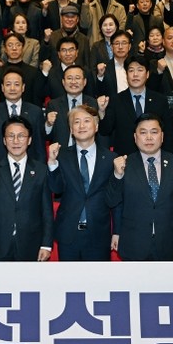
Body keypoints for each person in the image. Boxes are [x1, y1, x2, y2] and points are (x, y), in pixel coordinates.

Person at [107, 113, 173, 261]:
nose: (149, 137)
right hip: (133, 243)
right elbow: (113, 202)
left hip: (168, 243)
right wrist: (117, 175)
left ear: (162, 136)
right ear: (135, 137)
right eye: (143, 132)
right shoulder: (124, 163)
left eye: (154, 132)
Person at [0, 115, 53, 262]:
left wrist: (46, 244)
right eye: (10, 136)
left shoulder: (41, 170)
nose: (16, 141)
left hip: (31, 243)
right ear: (4, 140)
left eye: (21, 136)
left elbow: (47, 211)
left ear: (29, 140)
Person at [48, 102, 117, 262]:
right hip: (68, 234)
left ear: (96, 126)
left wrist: (117, 231)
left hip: (99, 234)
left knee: (98, 278)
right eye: (76, 122)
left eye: (86, 121)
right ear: (71, 130)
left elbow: (116, 199)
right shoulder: (61, 156)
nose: (81, 126)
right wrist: (52, 163)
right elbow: (56, 189)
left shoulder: (110, 159)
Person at [99, 55, 171, 155]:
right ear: (126, 75)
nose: (135, 74)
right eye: (131, 70)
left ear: (147, 74)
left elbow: (168, 132)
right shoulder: (116, 100)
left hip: (154, 156)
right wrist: (101, 112)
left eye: (140, 70)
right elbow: (105, 130)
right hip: (125, 157)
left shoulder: (160, 100)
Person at [0, 67, 46, 162]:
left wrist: (41, 167)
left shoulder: (35, 111)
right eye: (8, 84)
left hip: (28, 165)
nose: (12, 88)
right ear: (2, 88)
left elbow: (40, 145)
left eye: (16, 84)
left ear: (23, 87)